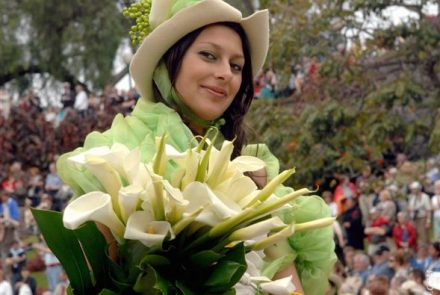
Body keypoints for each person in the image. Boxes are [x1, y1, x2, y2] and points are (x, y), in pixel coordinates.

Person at [56, 1, 335, 294]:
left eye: (236, 65)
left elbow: (286, 279)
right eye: (209, 55)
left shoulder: (249, 166)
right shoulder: (117, 153)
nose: (226, 73)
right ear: (168, 60)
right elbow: (97, 279)